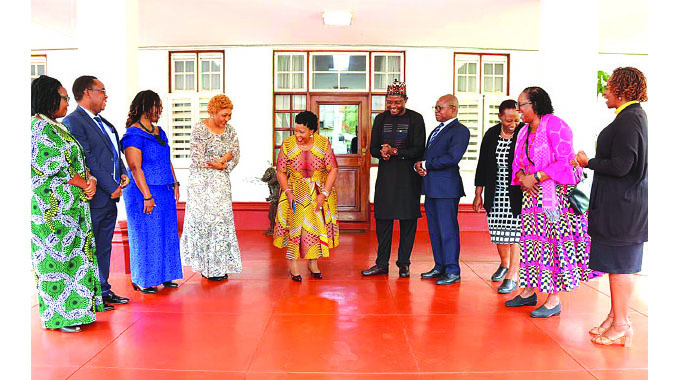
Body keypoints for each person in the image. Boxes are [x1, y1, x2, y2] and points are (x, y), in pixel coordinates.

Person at [506, 86, 599, 317]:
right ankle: (528, 291)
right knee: (531, 245)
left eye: (522, 105)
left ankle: (553, 299)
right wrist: (522, 179)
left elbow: (566, 162)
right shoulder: (523, 131)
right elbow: (517, 163)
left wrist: (535, 177)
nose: (519, 110)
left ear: (535, 105)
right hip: (531, 198)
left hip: (555, 199)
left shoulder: (556, 125)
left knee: (552, 246)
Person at [573, 67, 648, 347]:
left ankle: (621, 324)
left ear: (623, 88)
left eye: (609, 86)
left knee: (622, 267)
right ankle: (614, 316)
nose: (605, 91)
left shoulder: (630, 120)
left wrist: (587, 162)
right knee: (616, 265)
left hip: (624, 207)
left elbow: (622, 166)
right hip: (619, 205)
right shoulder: (629, 117)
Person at [31, 75, 105, 332]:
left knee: (77, 258)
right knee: (58, 262)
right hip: (52, 211)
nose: (66, 102)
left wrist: (90, 178)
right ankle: (60, 317)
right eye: (63, 97)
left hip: (73, 207)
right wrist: (81, 181)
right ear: (48, 98)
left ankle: (79, 312)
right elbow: (48, 165)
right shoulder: (37, 127)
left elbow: (76, 161)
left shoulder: (57, 126)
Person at [63, 75, 130, 307]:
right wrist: (110, 186)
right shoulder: (74, 122)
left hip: (109, 198)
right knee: (91, 247)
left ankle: (103, 289)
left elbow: (113, 152)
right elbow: (87, 158)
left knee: (103, 245)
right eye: (101, 90)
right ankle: (92, 294)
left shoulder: (103, 122)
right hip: (95, 196)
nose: (106, 95)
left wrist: (122, 172)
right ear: (86, 92)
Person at [361, 80, 426, 278]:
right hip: (387, 178)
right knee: (383, 221)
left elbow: (418, 149)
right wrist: (382, 153)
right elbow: (372, 148)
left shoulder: (416, 119)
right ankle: (381, 264)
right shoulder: (380, 119)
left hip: (408, 178)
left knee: (407, 223)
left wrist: (395, 151)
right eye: (389, 102)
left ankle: (404, 263)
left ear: (405, 100)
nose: (393, 106)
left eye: (397, 102)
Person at [121, 90, 183, 293]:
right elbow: (135, 167)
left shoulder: (160, 132)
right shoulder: (133, 134)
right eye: (157, 106)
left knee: (166, 232)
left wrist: (174, 182)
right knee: (146, 234)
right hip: (143, 192)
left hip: (164, 190)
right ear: (146, 107)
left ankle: (165, 275)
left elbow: (167, 159)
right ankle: (144, 279)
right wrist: (147, 195)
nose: (160, 110)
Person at [181, 94, 242, 281]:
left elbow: (236, 153)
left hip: (221, 184)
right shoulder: (200, 129)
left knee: (221, 223)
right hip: (200, 185)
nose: (227, 119)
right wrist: (224, 157)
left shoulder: (230, 131)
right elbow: (197, 157)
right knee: (204, 224)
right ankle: (205, 267)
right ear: (213, 111)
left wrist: (223, 163)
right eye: (224, 115)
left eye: (229, 115)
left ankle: (218, 266)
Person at [273, 111, 339, 281]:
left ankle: (313, 262)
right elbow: (280, 172)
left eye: (302, 132)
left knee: (315, 228)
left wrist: (323, 194)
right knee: (294, 229)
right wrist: (287, 192)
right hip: (294, 191)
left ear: (312, 131)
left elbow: (333, 169)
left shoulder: (323, 144)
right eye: (296, 131)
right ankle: (293, 264)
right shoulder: (287, 144)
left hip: (317, 192)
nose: (298, 135)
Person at [415, 94, 470, 285]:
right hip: (431, 187)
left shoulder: (460, 131)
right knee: (435, 230)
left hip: (447, 189)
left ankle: (453, 270)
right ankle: (440, 266)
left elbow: (452, 158)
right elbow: (428, 156)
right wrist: (420, 166)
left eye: (441, 108)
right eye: (436, 108)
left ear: (453, 109)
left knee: (447, 230)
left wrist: (426, 164)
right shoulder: (437, 130)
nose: (437, 111)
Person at [473, 100, 524, 293]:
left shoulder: (523, 134)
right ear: (500, 117)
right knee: (498, 231)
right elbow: (482, 165)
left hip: (516, 191)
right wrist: (479, 193)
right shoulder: (491, 134)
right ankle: (504, 264)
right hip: (496, 190)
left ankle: (513, 273)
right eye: (508, 120)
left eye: (516, 120)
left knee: (515, 233)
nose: (512, 124)